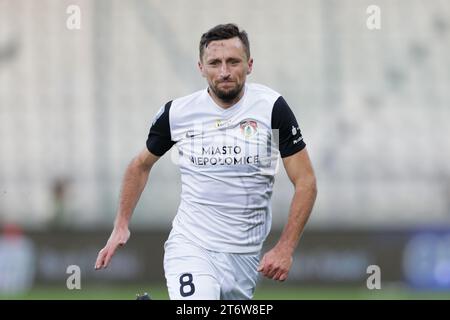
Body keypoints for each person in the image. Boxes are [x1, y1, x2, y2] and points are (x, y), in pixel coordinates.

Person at [95, 23, 317, 300]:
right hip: (191, 244)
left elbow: (306, 181)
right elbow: (139, 165)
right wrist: (121, 224)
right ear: (201, 67)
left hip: (244, 256)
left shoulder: (272, 110)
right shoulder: (178, 113)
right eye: (215, 63)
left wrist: (286, 247)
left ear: (249, 65)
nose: (224, 71)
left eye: (233, 61)